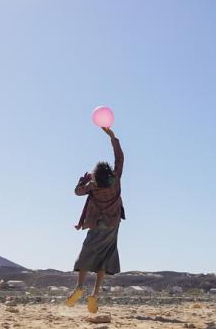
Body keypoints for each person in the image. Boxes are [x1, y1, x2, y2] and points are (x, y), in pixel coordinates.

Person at [65, 127, 124, 313]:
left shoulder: (92, 186)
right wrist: (112, 137)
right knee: (105, 259)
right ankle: (95, 295)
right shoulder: (116, 180)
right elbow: (120, 157)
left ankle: (79, 287)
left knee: (86, 255)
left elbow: (77, 192)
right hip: (112, 225)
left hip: (96, 224)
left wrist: (82, 182)